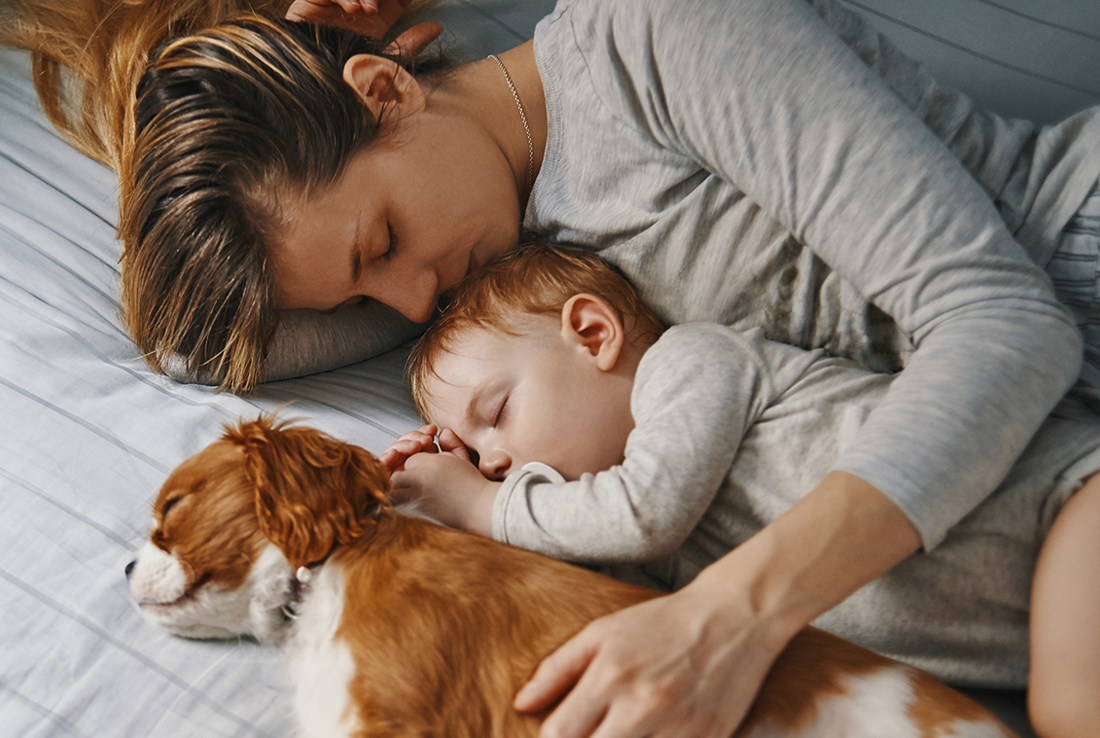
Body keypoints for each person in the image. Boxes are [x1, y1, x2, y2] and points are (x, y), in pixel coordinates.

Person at [12, 0, 1100, 735]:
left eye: (380, 245)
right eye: (358, 297)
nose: (401, 303)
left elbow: (1003, 323)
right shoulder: (496, 283)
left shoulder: (660, 35)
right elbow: (199, 344)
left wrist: (728, 616)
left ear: (387, 91)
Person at [383, 241, 1100, 737]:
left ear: (594, 334)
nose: (497, 463)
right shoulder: (643, 558)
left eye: (497, 415)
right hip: (1025, 629)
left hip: (1071, 498)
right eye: (477, 455)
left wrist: (476, 501)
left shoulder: (692, 363)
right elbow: (569, 553)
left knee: (1071, 715)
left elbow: (641, 513)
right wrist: (439, 497)